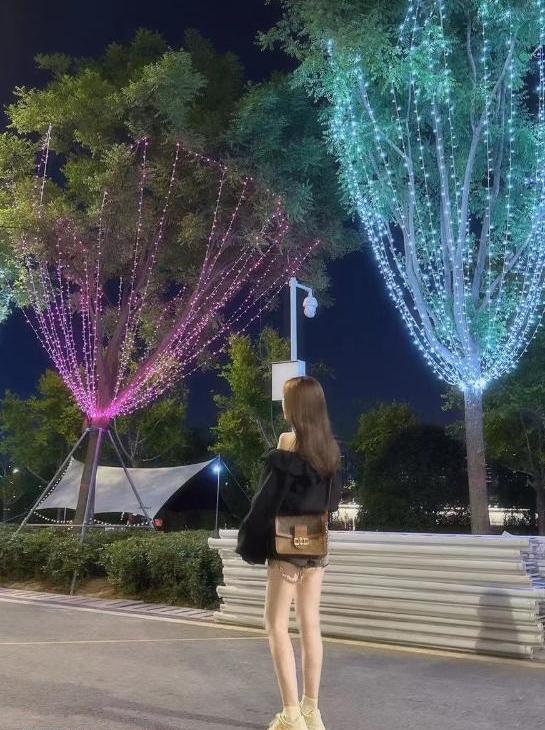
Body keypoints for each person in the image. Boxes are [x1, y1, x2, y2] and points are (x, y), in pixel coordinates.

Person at [235, 376, 342, 730]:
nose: (282, 405)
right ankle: (312, 711)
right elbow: (332, 503)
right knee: (310, 624)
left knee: (276, 625)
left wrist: (250, 537)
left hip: (287, 545)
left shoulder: (286, 442)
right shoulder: (330, 449)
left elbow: (266, 501)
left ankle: (291, 715)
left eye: (285, 400)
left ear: (295, 407)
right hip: (317, 543)